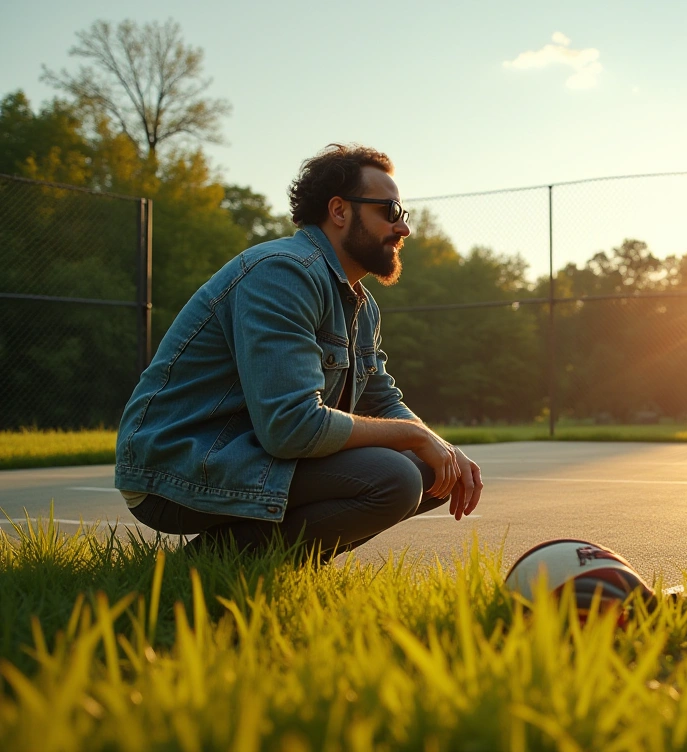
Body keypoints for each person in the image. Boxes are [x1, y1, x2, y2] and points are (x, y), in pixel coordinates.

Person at [115, 144, 482, 560]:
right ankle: (203, 570)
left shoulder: (361, 304)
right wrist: (415, 436)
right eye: (390, 211)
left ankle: (279, 565)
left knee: (438, 472)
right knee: (395, 478)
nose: (403, 229)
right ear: (340, 211)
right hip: (180, 464)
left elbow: (381, 399)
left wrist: (440, 446)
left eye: (403, 215)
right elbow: (290, 426)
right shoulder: (282, 273)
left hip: (254, 456)